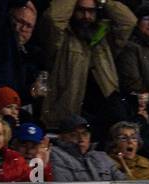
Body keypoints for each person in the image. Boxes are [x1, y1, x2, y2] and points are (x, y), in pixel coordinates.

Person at [37, 0, 136, 131]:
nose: (86, 16)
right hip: (70, 111)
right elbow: (52, 19)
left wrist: (104, 1)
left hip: (105, 109)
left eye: (91, 11)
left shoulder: (105, 37)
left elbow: (128, 21)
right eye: (81, 10)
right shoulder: (61, 39)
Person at [49, 113, 124, 179]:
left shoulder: (102, 157)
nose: (81, 139)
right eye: (74, 135)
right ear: (61, 137)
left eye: (85, 134)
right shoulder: (55, 155)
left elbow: (124, 183)